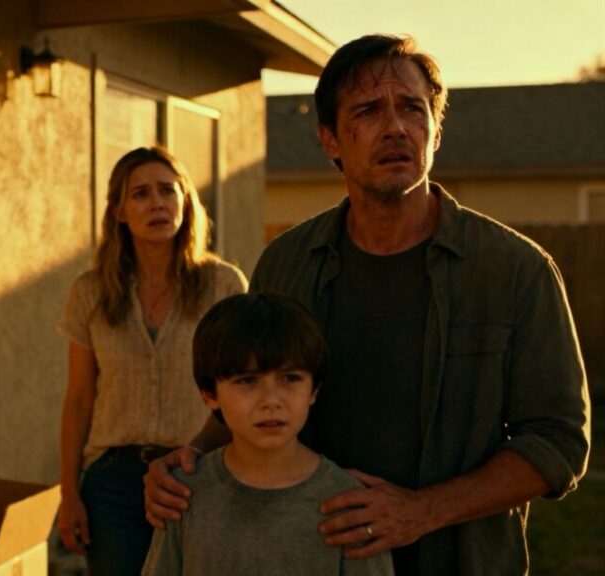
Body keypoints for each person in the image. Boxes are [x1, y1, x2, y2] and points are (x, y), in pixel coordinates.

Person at [143, 34, 590, 576]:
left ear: (436, 129)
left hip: (457, 560)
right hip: (308, 554)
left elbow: (559, 440)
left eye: (412, 108)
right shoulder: (287, 263)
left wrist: (422, 511)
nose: (396, 127)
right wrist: (187, 462)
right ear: (330, 139)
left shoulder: (515, 270)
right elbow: (254, 389)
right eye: (369, 111)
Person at [57, 145, 248, 575]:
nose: (157, 202)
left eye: (168, 190)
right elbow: (79, 401)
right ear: (120, 211)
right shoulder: (90, 292)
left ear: (185, 201)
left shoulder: (223, 285)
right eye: (140, 193)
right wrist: (69, 495)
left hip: (199, 472)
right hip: (112, 484)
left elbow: (240, 389)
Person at [141, 292, 394, 575]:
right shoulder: (183, 495)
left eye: (290, 378)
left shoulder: (349, 504)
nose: (271, 400)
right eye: (247, 380)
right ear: (210, 394)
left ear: (314, 390)